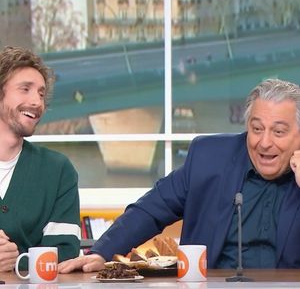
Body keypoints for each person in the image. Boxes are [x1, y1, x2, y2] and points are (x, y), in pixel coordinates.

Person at [59, 78, 300, 273]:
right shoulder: (211, 158)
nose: (265, 142)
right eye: (257, 129)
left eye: (279, 131)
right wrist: (101, 252)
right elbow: (151, 209)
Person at [0, 46, 81, 272]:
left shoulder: (58, 171)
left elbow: (65, 253)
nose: (37, 102)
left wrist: (16, 261)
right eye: (25, 89)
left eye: (41, 94)